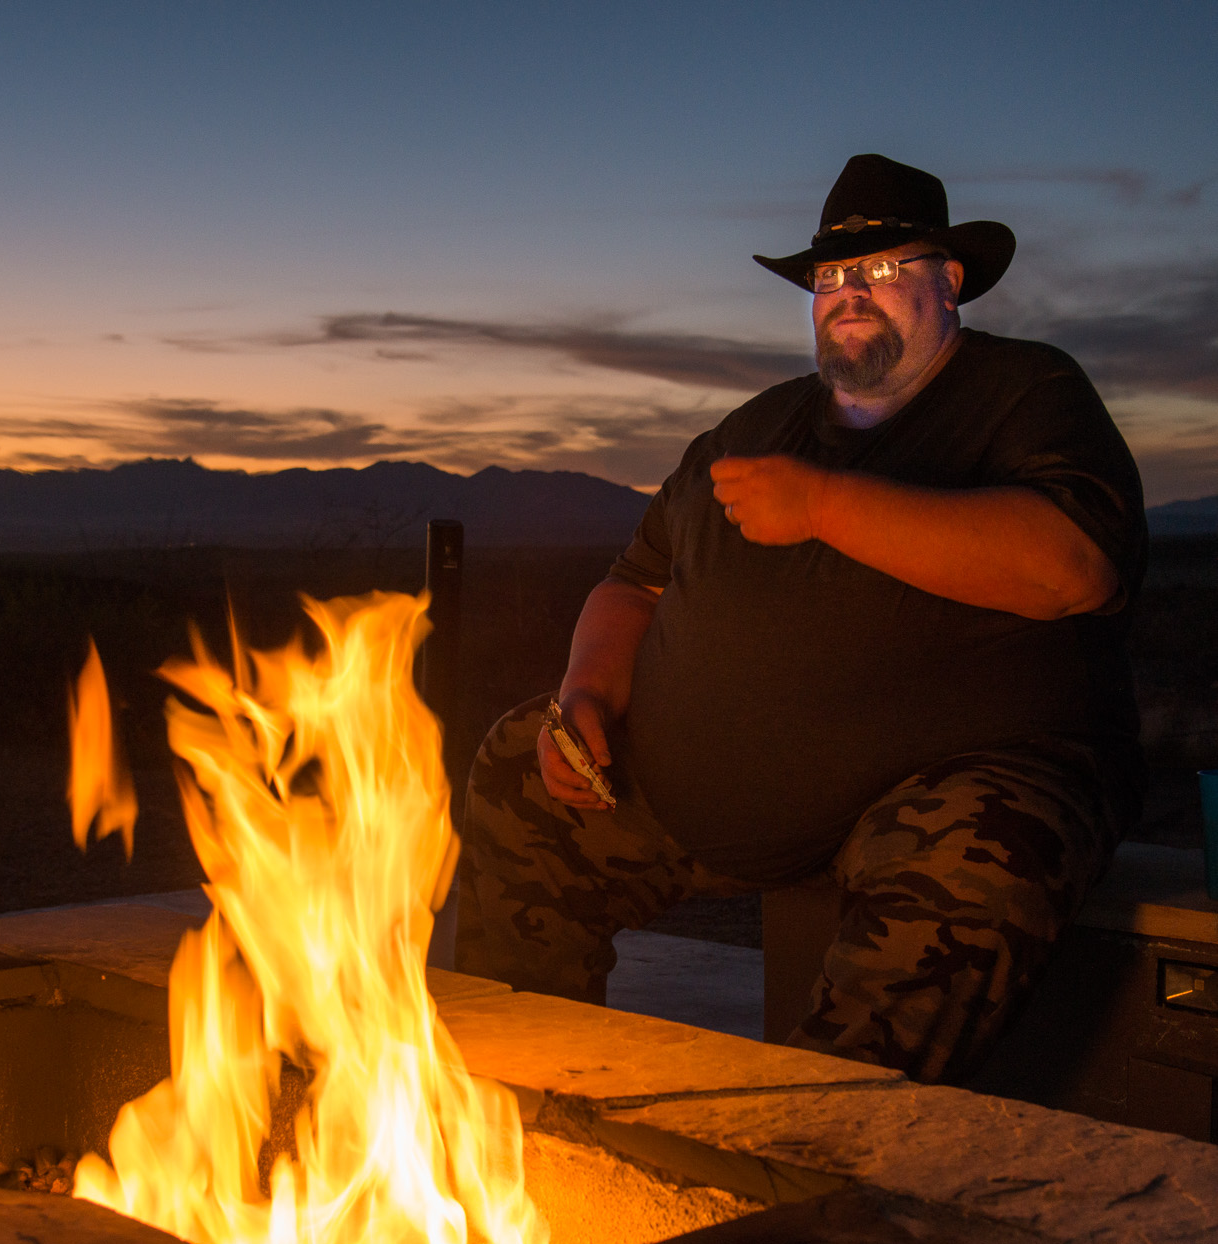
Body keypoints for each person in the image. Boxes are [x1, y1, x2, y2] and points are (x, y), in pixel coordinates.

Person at [455, 154, 1147, 1084]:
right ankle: (516, 1102)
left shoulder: (1024, 393)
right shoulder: (750, 430)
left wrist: (826, 506)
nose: (849, 293)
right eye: (830, 276)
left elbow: (1074, 568)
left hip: (957, 781)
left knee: (977, 861)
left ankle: (817, 1153)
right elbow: (633, 585)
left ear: (951, 284)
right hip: (708, 791)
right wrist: (584, 692)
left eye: (884, 269)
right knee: (516, 767)